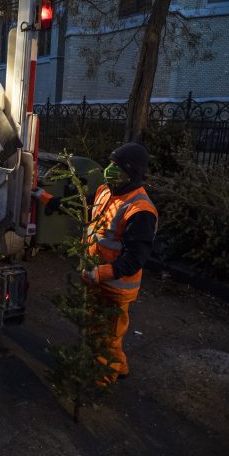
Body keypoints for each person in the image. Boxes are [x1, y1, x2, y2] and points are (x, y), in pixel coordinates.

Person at [33, 143, 158, 383]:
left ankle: (98, 382)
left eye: (117, 166)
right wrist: (45, 197)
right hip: (96, 276)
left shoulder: (140, 210)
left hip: (115, 288)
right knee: (98, 331)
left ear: (130, 173)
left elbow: (135, 259)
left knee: (107, 336)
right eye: (110, 162)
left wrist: (99, 272)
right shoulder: (105, 190)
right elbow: (77, 204)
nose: (109, 169)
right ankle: (118, 367)